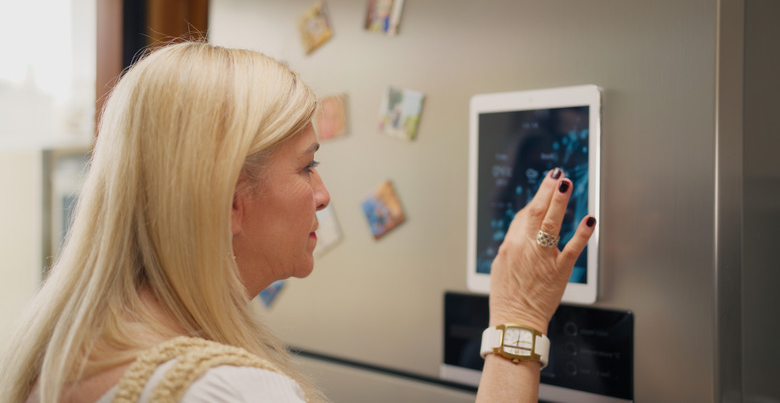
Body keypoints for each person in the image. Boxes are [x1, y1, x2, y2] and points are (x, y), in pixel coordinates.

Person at [0, 42, 595, 403]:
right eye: (307, 167)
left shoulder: (63, 352)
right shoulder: (226, 391)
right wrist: (517, 325)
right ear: (231, 200)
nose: (324, 194)